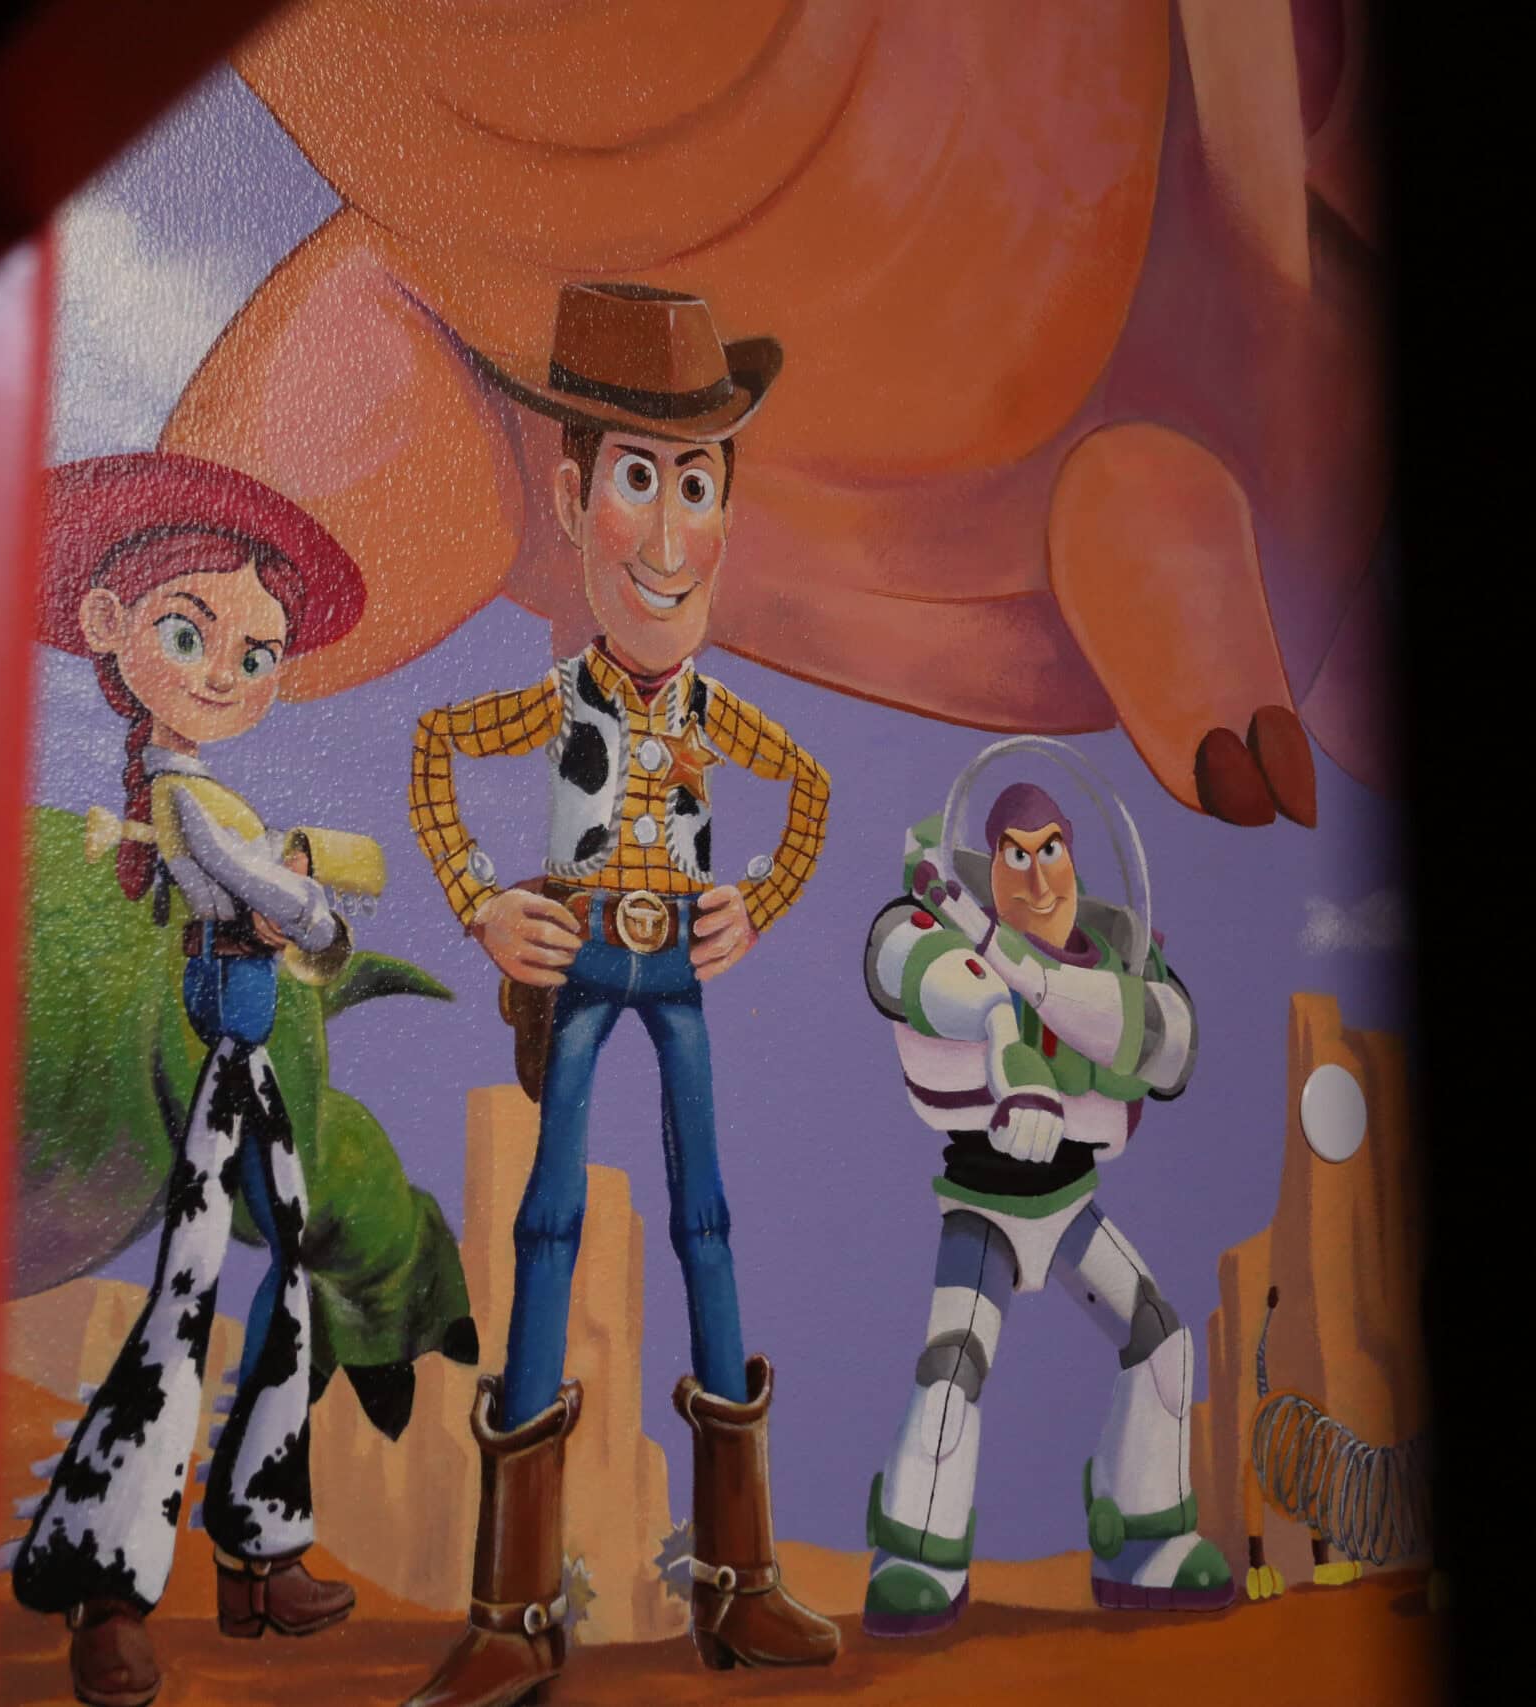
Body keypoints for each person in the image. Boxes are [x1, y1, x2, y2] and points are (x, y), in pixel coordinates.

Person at [401, 282, 841, 1707]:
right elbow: (433, 748)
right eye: (637, 481)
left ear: (727, 513)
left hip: (678, 972)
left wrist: (755, 903)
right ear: (573, 495)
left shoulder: (716, 712)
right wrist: (482, 898)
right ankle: (515, 1606)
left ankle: (740, 1584)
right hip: (588, 961)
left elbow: (810, 791)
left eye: (695, 486)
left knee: (706, 1218)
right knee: (549, 1217)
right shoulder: (560, 699)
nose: (663, 538)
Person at [10, 452, 370, 1707]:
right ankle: (105, 1579)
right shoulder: (184, 796)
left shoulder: (211, 794)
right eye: (189, 634)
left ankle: (259, 1546)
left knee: (294, 1280)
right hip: (216, 1063)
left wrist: (294, 897)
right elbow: (279, 900)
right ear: (110, 625)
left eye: (253, 654)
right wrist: (310, 906)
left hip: (245, 1063)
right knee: (184, 1302)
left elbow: (270, 889)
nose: (221, 674)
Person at [859, 773, 1234, 1634]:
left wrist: (1067, 997)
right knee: (954, 1365)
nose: (1036, 876)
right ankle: (919, 1552)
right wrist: (997, 1023)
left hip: (1069, 1204)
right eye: (1015, 854)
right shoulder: (943, 934)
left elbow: (1169, 1042)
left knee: (1161, 1342)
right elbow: (899, 962)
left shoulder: (1113, 957)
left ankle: (1144, 1537)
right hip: (985, 1204)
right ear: (989, 865)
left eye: (1052, 850)